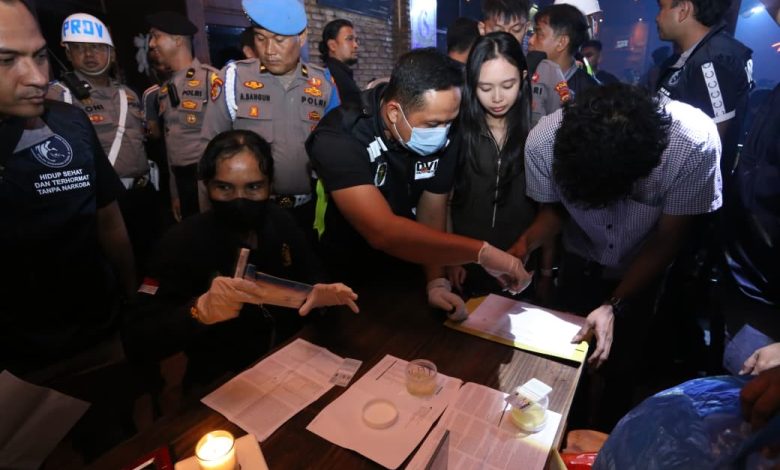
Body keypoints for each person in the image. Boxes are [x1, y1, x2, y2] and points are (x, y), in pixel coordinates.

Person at [512, 83, 722, 429]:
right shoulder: (544, 142)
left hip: (644, 267)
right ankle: (567, 433)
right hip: (580, 261)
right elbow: (554, 212)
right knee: (567, 363)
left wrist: (614, 303)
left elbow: (668, 239)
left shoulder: (692, 142)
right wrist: (524, 245)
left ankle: (609, 435)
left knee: (625, 366)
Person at [0, 0, 139, 457]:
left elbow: (108, 220)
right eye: (6, 60)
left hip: (96, 338)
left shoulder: (69, 120)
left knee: (118, 447)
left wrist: (131, 297)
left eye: (39, 56)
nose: (36, 77)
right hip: (17, 366)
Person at [306, 48, 532, 319]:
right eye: (433, 123)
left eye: (449, 122)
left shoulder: (445, 130)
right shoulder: (339, 136)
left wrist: (436, 281)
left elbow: (432, 207)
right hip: (347, 273)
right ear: (394, 113)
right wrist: (482, 253)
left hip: (409, 266)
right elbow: (383, 231)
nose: (443, 133)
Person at [125, 129, 358, 386]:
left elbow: (312, 273)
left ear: (270, 185)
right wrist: (198, 311)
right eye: (224, 188)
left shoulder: (280, 221)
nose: (240, 200)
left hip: (289, 362)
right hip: (220, 379)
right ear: (207, 186)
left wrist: (321, 296)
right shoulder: (180, 242)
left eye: (253, 187)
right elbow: (138, 338)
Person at [201, 0, 340, 234]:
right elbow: (208, 154)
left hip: (308, 211)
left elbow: (336, 153)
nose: (269, 50)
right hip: (250, 212)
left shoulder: (324, 84)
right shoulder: (233, 80)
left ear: (302, 37)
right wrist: (208, 220)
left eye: (279, 40)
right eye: (260, 38)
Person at [47, 12, 159, 265]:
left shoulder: (129, 94)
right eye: (79, 48)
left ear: (111, 52)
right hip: (104, 204)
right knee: (115, 264)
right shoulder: (58, 96)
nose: (89, 54)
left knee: (151, 261)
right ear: (68, 53)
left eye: (96, 47)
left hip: (142, 195)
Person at [448, 33, 548, 299]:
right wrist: (450, 258)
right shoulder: (455, 131)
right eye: (485, 88)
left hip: (518, 263)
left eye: (507, 85)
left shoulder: (539, 134)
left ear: (523, 78)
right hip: (464, 264)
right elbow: (441, 202)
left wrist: (545, 270)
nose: (497, 98)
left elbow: (551, 210)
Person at [655, 0, 753, 181]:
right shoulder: (694, 56)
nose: (657, 17)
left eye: (662, 7)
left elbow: (708, 146)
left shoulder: (713, 61)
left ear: (683, 10)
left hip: (687, 190)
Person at [145, 10, 217, 221]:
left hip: (208, 181)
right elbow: (172, 144)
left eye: (156, 36)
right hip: (182, 183)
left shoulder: (211, 80)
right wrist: (175, 192)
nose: (151, 44)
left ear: (177, 39)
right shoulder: (165, 89)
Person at [478, 0, 571, 128]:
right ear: (482, 29)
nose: (508, 37)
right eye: (498, 30)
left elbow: (565, 127)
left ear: (526, 28)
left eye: (516, 29)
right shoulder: (473, 69)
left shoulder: (546, 71)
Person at [529, 4, 599, 99]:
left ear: (562, 42)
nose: (531, 40)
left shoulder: (591, 95)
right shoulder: (523, 78)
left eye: (539, 34)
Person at [319, 19, 360, 108]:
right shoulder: (330, 76)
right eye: (349, 39)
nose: (355, 45)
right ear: (332, 45)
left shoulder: (342, 73)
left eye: (356, 40)